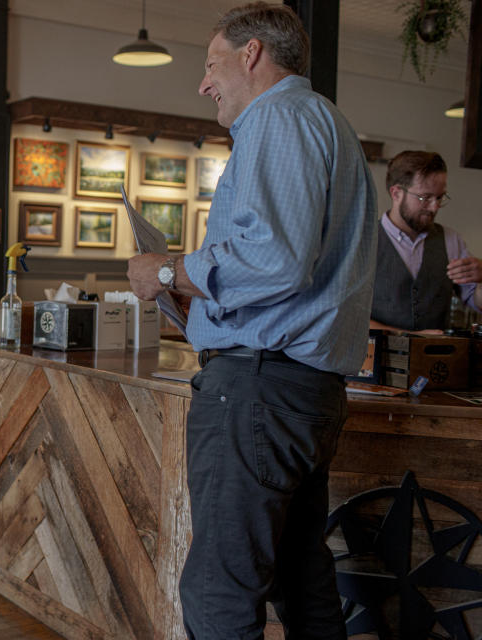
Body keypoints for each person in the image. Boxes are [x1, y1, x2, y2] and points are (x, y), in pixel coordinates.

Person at [127, 3, 377, 638]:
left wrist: (166, 274)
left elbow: (274, 261)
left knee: (221, 587)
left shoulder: (277, 118)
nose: (204, 84)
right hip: (303, 390)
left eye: (211, 66)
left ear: (252, 54)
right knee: (302, 578)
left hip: (259, 391)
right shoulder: (327, 123)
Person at [370, 150, 482, 332]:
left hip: (435, 359)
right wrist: (414, 337)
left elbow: (476, 302)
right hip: (373, 358)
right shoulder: (364, 241)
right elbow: (345, 317)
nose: (434, 207)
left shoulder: (451, 240)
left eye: (439, 197)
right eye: (425, 197)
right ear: (396, 193)